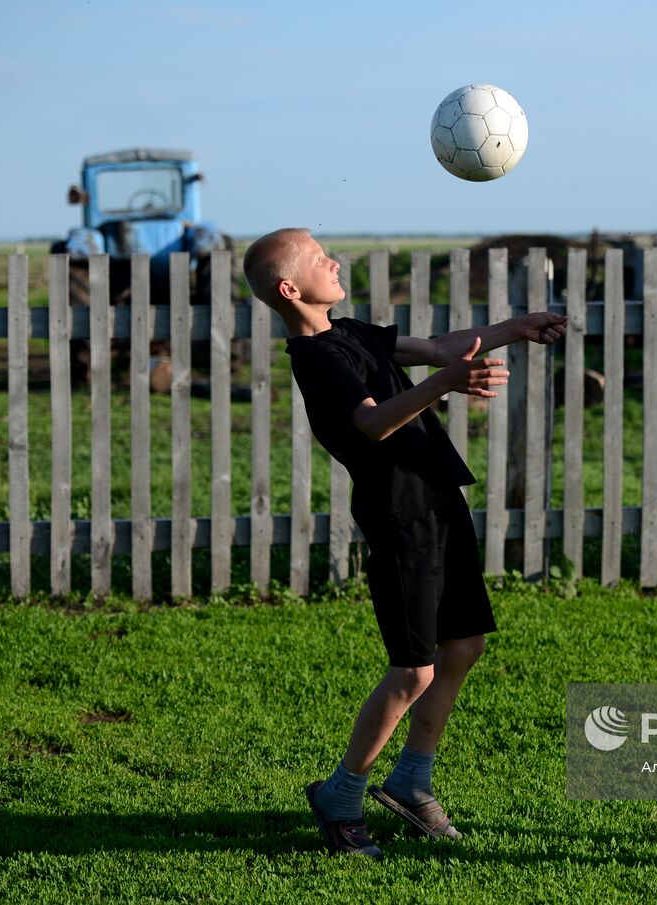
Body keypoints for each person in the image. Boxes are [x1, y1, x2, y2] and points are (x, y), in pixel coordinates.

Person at [242, 228, 567, 859]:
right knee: (413, 670)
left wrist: (514, 326)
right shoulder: (319, 359)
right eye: (317, 259)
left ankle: (411, 780)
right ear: (290, 288)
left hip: (438, 496)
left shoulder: (354, 334)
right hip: (399, 519)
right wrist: (446, 383)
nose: (332, 261)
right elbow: (371, 422)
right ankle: (341, 794)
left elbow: (444, 346)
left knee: (464, 645)